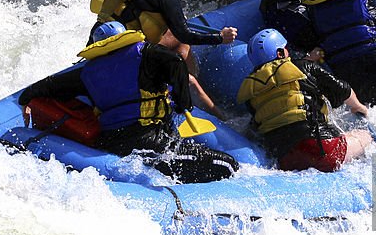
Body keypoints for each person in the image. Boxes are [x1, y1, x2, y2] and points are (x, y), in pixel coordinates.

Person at [18, 21, 239, 184]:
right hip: (149, 141)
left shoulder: (86, 73)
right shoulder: (148, 54)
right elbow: (177, 63)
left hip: (112, 142)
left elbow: (44, 86)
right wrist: (182, 103)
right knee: (227, 164)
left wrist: (25, 101)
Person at [90, 0, 235, 117]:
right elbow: (185, 34)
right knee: (190, 81)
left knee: (178, 45)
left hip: (102, 48)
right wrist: (220, 38)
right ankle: (221, 118)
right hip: (131, 61)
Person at [236, 28, 373, 172]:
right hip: (323, 151)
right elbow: (343, 89)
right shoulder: (302, 66)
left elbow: (257, 128)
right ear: (280, 53)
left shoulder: (251, 92)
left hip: (286, 162)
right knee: (364, 136)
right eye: (285, 48)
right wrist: (358, 107)